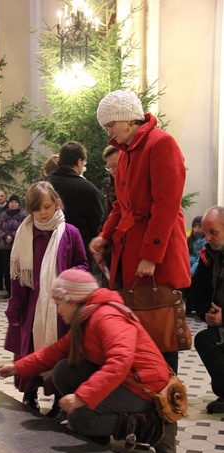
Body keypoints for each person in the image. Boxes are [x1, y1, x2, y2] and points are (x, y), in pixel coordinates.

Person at [0, 268, 176, 453]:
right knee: (63, 371)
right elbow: (55, 352)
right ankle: (100, 433)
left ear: (72, 300)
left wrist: (82, 397)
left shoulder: (107, 316)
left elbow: (119, 363)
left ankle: (158, 429)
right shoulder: (86, 317)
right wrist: (17, 368)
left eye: (59, 304)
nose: (58, 310)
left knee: (80, 417)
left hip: (147, 388)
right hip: (129, 380)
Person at [90, 90, 191, 373]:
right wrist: (104, 236)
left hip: (155, 253)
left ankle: (167, 398)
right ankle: (144, 395)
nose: (108, 130)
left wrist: (151, 255)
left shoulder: (161, 144)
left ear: (127, 119)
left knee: (159, 327)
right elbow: (121, 207)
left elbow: (166, 206)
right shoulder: (126, 153)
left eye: (110, 124)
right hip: (130, 250)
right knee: (135, 327)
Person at [4, 181, 88, 419]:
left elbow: (82, 263)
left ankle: (59, 399)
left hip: (59, 306)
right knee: (29, 350)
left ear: (56, 203)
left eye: (47, 206)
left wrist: (66, 280)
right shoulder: (25, 234)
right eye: (37, 209)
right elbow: (18, 275)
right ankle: (29, 393)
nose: (43, 212)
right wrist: (15, 309)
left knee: (58, 350)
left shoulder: (69, 232)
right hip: (32, 304)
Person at [47, 141, 103, 270]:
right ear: (79, 162)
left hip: (47, 250)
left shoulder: (44, 185)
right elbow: (97, 224)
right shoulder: (87, 189)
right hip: (79, 253)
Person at [191, 206, 224, 414]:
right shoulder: (209, 254)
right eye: (206, 233)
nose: (208, 238)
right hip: (218, 321)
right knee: (205, 339)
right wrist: (208, 314)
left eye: (213, 232)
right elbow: (196, 290)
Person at [0, 194, 28, 298]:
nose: (13, 204)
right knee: (7, 268)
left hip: (18, 245)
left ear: (18, 204)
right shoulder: (4, 215)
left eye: (15, 202)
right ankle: (9, 290)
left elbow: (23, 228)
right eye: (11, 202)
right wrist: (4, 236)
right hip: (5, 246)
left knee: (18, 268)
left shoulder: (23, 214)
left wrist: (12, 236)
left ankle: (19, 290)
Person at [102, 145, 119, 219]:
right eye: (109, 167)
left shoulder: (136, 185)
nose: (112, 171)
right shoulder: (109, 185)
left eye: (115, 166)